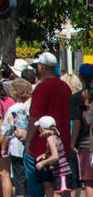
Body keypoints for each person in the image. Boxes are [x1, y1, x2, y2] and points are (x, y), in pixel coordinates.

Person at [26, 53, 73, 197]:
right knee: (62, 183)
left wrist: (28, 140)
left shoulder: (41, 88)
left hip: (42, 144)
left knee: (45, 185)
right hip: (62, 141)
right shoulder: (65, 87)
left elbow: (35, 115)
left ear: (42, 67)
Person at [69, 63, 93, 197]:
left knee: (89, 181)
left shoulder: (77, 97)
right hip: (88, 141)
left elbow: (79, 121)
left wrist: (72, 143)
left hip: (86, 142)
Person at [33, 116, 73, 196]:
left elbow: (55, 156)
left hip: (62, 173)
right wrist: (45, 155)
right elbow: (56, 151)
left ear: (42, 128)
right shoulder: (55, 137)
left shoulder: (50, 139)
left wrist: (42, 163)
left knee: (57, 195)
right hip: (63, 173)